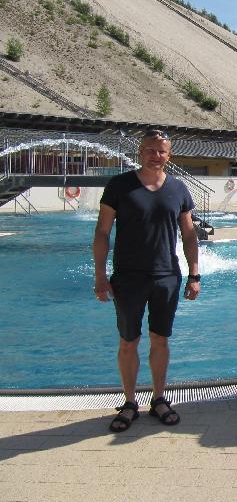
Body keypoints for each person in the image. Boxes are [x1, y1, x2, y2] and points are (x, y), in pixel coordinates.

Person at [93, 129, 200, 432]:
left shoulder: (178, 189)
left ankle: (159, 399)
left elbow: (189, 234)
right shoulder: (119, 186)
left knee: (160, 340)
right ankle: (129, 403)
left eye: (161, 151)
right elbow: (102, 232)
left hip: (166, 275)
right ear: (140, 152)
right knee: (129, 341)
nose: (156, 155)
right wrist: (100, 274)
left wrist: (194, 274)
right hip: (128, 277)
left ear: (169, 155)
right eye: (150, 150)